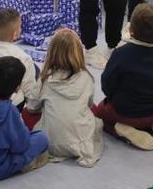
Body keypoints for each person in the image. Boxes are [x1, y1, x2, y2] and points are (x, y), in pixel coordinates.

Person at [92, 4, 153, 152]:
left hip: (126, 113)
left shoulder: (121, 54)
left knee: (98, 112)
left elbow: (107, 84)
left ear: (130, 30)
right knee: (151, 111)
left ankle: (122, 129)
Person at [25, 28, 104, 168]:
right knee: (96, 119)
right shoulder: (87, 78)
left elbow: (32, 107)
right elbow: (90, 105)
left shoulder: (45, 78)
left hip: (50, 143)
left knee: (27, 114)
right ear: (79, 53)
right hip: (81, 143)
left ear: (51, 54)